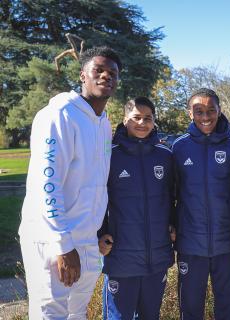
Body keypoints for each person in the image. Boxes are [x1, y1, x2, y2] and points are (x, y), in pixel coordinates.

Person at [18, 46, 121, 319]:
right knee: (50, 313)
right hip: (52, 238)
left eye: (112, 73)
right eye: (98, 70)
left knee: (77, 313)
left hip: (87, 239)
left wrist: (96, 234)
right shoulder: (59, 115)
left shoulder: (103, 123)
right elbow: (46, 185)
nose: (105, 76)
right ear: (82, 75)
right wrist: (62, 245)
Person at [172, 88, 230, 320]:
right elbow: (169, 195)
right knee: (190, 307)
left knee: (226, 307)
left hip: (226, 243)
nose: (205, 117)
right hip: (190, 244)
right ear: (189, 114)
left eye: (211, 111)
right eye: (199, 111)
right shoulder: (178, 147)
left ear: (219, 111)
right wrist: (172, 227)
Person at [98, 97, 175, 319]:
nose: (142, 123)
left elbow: (173, 197)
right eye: (136, 118)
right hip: (121, 256)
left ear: (154, 121)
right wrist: (100, 234)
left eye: (147, 118)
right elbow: (98, 199)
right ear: (125, 120)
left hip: (157, 256)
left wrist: (174, 225)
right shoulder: (109, 155)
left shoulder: (165, 155)